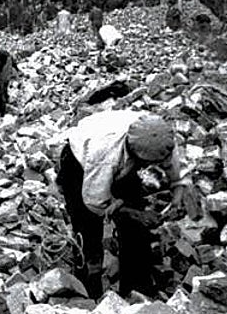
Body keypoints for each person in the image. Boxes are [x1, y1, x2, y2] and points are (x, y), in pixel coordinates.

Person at [56, 111, 189, 298]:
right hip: (79, 161)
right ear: (135, 154)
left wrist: (177, 193)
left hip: (121, 161)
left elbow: (174, 168)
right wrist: (135, 213)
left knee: (135, 228)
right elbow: (95, 203)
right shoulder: (105, 155)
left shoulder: (159, 137)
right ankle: (87, 291)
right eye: (147, 163)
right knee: (88, 230)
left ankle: (136, 291)